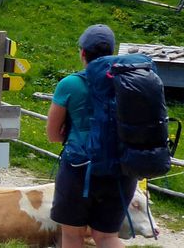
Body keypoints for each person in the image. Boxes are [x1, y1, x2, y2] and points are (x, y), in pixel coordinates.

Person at [47, 25, 136, 248]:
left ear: (83, 53)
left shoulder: (70, 84)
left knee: (73, 235)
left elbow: (53, 135)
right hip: (121, 170)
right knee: (106, 237)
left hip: (79, 168)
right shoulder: (128, 81)